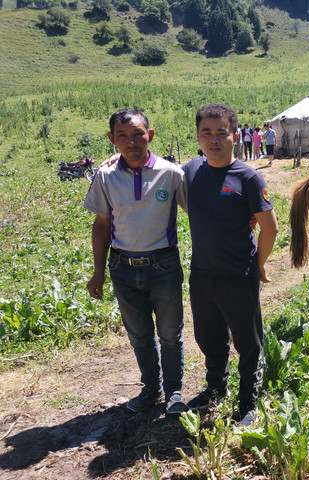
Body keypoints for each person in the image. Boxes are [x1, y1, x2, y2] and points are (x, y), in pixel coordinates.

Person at [84, 108, 188, 416]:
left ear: (150, 135)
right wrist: (98, 272)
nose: (131, 142)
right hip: (123, 268)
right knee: (139, 336)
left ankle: (174, 392)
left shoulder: (172, 173)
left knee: (170, 333)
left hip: (164, 265)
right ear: (112, 140)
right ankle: (151, 388)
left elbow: (199, 211)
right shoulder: (105, 176)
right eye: (122, 136)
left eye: (138, 134)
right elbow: (102, 225)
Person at [182, 103, 279, 426]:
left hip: (239, 273)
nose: (214, 139)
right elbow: (154, 170)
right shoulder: (190, 170)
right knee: (208, 338)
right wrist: (115, 160)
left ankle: (248, 402)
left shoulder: (248, 177)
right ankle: (216, 389)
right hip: (202, 273)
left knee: (248, 341)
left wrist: (259, 265)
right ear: (198, 136)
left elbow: (270, 228)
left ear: (235, 137)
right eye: (206, 133)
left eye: (221, 133)